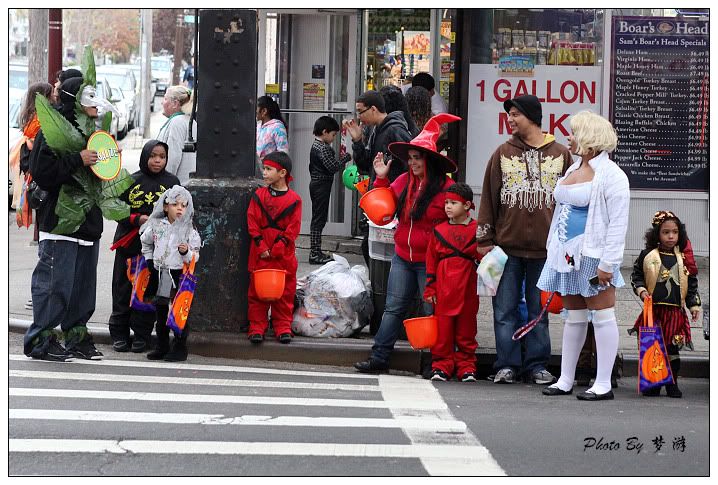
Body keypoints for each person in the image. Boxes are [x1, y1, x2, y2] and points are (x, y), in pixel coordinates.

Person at [476, 94, 572, 385]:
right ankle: (506, 364)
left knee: (537, 311)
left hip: (546, 251)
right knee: (503, 309)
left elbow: (569, 203)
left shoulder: (561, 154)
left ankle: (537, 365)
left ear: (532, 117)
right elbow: (489, 199)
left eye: (516, 114)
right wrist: (484, 239)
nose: (510, 119)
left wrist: (566, 243)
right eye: (510, 114)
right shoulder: (502, 153)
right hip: (505, 249)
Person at [354, 114, 459, 374]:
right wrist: (380, 178)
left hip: (431, 262)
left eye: (417, 157)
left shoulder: (447, 187)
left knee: (430, 310)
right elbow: (383, 210)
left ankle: (433, 363)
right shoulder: (402, 183)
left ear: (430, 160)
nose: (412, 162)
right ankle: (379, 359)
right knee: (393, 309)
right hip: (402, 257)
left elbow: (458, 217)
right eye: (410, 157)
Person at [538, 110, 630, 401]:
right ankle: (565, 378)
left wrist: (608, 263)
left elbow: (618, 223)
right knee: (574, 315)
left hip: (594, 253)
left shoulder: (612, 175)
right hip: (567, 252)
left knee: (602, 315)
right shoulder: (572, 169)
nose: (569, 136)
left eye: (574, 132)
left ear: (590, 138)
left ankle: (602, 382)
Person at [23, 76, 105, 361]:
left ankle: (76, 336)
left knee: (82, 287)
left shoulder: (92, 130)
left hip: (87, 222)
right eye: (90, 100)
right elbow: (42, 172)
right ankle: (41, 339)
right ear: (76, 99)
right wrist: (76, 160)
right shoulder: (53, 128)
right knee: (54, 284)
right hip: (60, 221)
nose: (96, 106)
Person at [109, 140, 180, 353]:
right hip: (128, 244)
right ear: (145, 156)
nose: (157, 160)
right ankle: (119, 334)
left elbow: (180, 211)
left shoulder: (172, 183)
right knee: (122, 290)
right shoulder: (131, 181)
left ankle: (141, 335)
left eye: (162, 157)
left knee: (147, 292)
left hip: (156, 251)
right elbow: (116, 208)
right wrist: (137, 219)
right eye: (153, 156)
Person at [630, 211, 701, 398]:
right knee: (654, 348)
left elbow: (691, 283)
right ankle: (654, 383)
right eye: (666, 232)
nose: (671, 236)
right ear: (657, 234)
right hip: (654, 312)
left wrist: (693, 305)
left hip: (675, 314)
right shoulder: (647, 255)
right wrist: (641, 290)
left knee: (672, 349)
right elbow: (636, 276)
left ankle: (672, 383)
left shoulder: (683, 258)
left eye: (675, 232)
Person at [343, 90, 412, 266]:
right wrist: (357, 141)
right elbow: (366, 166)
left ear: (373, 109)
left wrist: (399, 191)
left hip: (393, 201)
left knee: (376, 250)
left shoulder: (395, 129)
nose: (359, 117)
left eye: (361, 111)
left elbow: (410, 163)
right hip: (381, 198)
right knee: (370, 248)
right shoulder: (377, 130)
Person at [423, 183, 480, 382]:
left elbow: (485, 257)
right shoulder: (438, 231)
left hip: (468, 287)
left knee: (467, 329)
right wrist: (430, 287)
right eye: (446, 202)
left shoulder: (478, 230)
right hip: (443, 287)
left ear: (467, 206)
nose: (447, 206)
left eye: (453, 203)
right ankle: (441, 365)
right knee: (443, 330)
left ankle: (466, 366)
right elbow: (431, 261)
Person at [140, 185, 201, 362]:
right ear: (166, 206)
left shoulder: (189, 230)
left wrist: (186, 253)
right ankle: (162, 345)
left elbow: (195, 256)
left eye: (184, 205)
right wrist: (149, 261)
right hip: (160, 273)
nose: (180, 208)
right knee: (160, 312)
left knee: (178, 312)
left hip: (178, 275)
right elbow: (146, 242)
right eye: (175, 204)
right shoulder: (157, 226)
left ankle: (180, 347)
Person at [246, 151, 302, 345]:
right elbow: (252, 221)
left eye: (268, 169)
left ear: (282, 172)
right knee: (257, 292)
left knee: (285, 292)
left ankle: (283, 326)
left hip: (281, 253)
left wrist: (277, 247)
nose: (264, 172)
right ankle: (257, 326)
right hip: (261, 250)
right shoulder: (258, 196)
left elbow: (293, 228)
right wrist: (261, 245)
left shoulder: (295, 200)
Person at [309, 116, 351, 265]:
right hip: (321, 186)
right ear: (325, 132)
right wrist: (345, 158)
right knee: (318, 219)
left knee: (318, 218)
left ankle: (316, 250)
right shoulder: (323, 148)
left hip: (317, 184)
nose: (334, 138)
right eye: (333, 135)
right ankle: (314, 252)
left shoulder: (316, 145)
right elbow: (332, 167)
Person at [156, 85, 197, 184]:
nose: (162, 102)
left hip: (176, 186)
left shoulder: (177, 122)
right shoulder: (190, 121)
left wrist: (163, 183)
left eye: (165, 98)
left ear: (175, 103)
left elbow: (172, 158)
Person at [256, 95, 289, 161]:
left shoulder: (278, 128)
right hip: (258, 168)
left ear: (264, 111)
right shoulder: (259, 125)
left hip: (270, 169)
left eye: (256, 108)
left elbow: (283, 154)